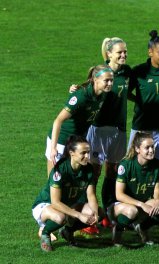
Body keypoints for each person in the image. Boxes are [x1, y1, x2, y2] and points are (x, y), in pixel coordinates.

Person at [41, 64, 112, 240]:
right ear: (96, 80)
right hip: (61, 142)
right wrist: (53, 147)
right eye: (107, 80)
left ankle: (69, 224)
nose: (110, 83)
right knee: (55, 185)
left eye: (111, 80)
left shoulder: (101, 95)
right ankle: (44, 227)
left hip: (76, 144)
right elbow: (58, 121)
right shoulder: (80, 96)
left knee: (72, 185)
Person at [70, 37, 133, 233]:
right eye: (119, 52)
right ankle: (86, 217)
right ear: (109, 55)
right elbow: (88, 89)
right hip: (98, 129)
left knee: (112, 171)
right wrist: (74, 89)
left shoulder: (127, 72)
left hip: (118, 130)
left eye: (125, 52)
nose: (123, 55)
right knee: (93, 172)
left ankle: (108, 211)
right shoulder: (103, 73)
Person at [32, 135, 100, 252]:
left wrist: (96, 214)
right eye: (83, 153)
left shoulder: (88, 169)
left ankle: (68, 231)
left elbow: (91, 195)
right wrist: (79, 215)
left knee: (97, 213)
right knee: (61, 217)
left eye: (88, 152)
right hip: (46, 205)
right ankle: (46, 233)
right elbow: (55, 202)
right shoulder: (60, 170)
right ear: (71, 153)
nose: (87, 156)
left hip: (68, 205)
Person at [109, 132, 159, 246]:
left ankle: (142, 227)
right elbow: (119, 195)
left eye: (152, 147)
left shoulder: (157, 165)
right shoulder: (126, 165)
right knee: (132, 211)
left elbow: (157, 188)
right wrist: (141, 204)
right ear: (137, 149)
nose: (151, 150)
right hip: (122, 204)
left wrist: (158, 200)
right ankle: (118, 229)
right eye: (147, 147)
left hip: (143, 203)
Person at [128, 30, 159, 165]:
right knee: (134, 163)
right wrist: (139, 101)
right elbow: (126, 92)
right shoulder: (139, 71)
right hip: (142, 126)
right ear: (150, 52)